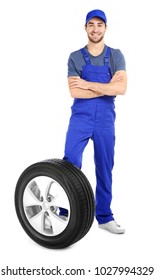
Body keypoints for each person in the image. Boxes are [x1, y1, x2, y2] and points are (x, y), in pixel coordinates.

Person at [61, 9, 127, 234]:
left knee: (105, 167)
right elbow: (73, 91)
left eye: (100, 25)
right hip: (80, 117)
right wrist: (107, 87)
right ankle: (67, 210)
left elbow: (122, 88)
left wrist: (87, 84)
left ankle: (104, 217)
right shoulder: (75, 56)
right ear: (85, 27)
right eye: (91, 24)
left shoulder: (115, 55)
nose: (95, 28)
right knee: (69, 163)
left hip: (105, 120)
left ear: (105, 28)